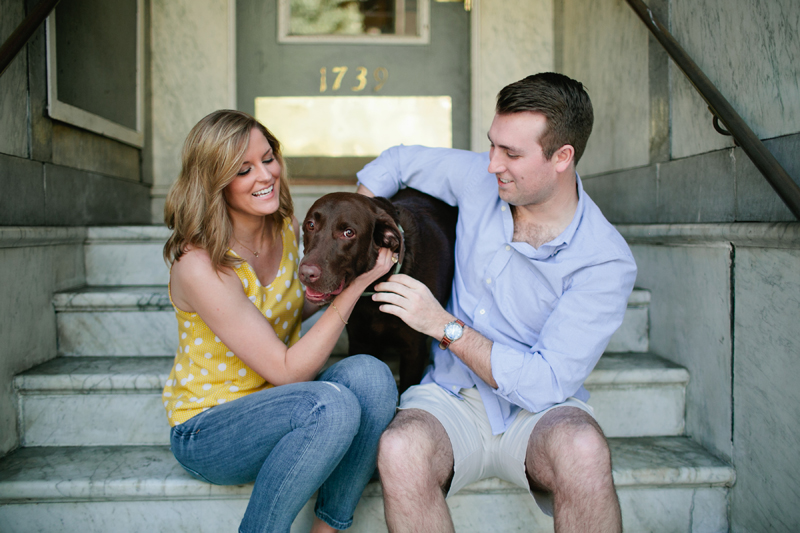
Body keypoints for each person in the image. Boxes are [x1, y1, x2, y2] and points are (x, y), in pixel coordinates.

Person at [357, 72, 637, 532]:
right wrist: (362, 222)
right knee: (399, 447)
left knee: (584, 449)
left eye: (512, 153)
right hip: (452, 397)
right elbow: (399, 161)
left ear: (562, 156)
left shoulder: (604, 261)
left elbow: (545, 382)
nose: (492, 164)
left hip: (538, 413)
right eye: (492, 145)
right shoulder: (480, 180)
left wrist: (443, 326)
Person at [161, 110, 398, 533]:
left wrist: (346, 272)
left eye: (268, 158)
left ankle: (328, 528)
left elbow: (293, 306)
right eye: (243, 169)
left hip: (284, 410)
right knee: (330, 405)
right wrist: (357, 286)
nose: (265, 175)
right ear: (215, 181)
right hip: (209, 430)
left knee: (373, 377)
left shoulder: (286, 228)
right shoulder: (199, 265)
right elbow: (289, 371)